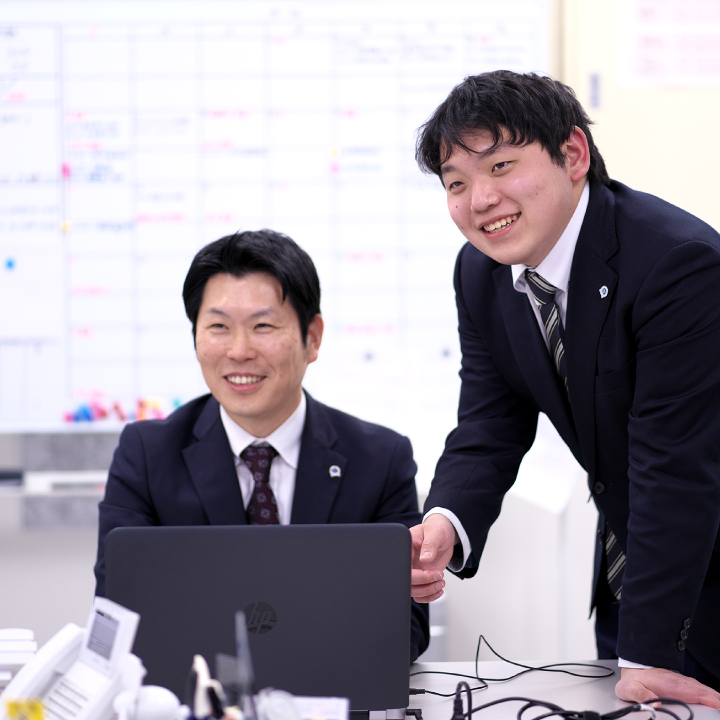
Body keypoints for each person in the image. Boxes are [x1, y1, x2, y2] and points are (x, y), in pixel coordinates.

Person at [409, 70, 720, 706]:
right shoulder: (481, 273)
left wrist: (649, 651)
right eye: (456, 183)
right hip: (629, 570)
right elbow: (490, 423)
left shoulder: (676, 263)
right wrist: (446, 523)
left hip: (700, 568)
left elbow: (675, 466)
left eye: (501, 166)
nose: (480, 199)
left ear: (573, 154)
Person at [94, 229, 429, 662]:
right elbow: (118, 611)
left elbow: (404, 625)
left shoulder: (380, 460)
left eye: (263, 326)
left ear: (313, 337)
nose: (239, 351)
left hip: (332, 692)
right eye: (218, 327)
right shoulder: (145, 455)